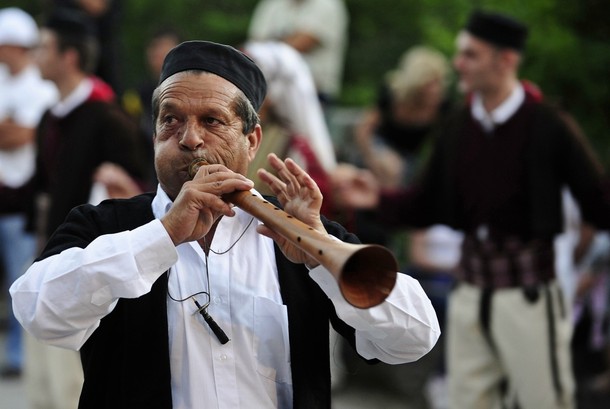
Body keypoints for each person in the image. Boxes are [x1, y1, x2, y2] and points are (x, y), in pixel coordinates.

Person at [10, 40, 440, 409]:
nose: (190, 139)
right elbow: (37, 311)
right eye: (171, 120)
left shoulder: (300, 233)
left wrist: (320, 257)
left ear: (251, 140)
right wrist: (163, 235)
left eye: (211, 121)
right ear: (155, 132)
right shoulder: (106, 225)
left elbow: (413, 340)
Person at [333, 9, 610, 409]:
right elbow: (427, 202)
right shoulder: (460, 126)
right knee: (467, 402)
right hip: (471, 291)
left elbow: (597, 201)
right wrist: (376, 197)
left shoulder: (548, 124)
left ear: (506, 60)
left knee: (542, 401)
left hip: (529, 294)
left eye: (470, 54)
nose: (457, 63)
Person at [18, 8, 148, 409]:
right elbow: (41, 188)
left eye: (44, 47)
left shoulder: (109, 117)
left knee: (73, 389)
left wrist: (127, 185)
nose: (36, 55)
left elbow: (143, 189)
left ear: (69, 57)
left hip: (86, 269)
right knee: (41, 388)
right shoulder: (48, 118)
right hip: (45, 260)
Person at [0, 7, 59, 380]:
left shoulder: (41, 87)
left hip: (21, 199)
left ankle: (20, 357)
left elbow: (24, 136)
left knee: (20, 281)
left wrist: (14, 129)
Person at [247, 0, 349, 109]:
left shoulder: (328, 4)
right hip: (267, 93)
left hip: (315, 95)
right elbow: (254, 46)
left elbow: (302, 43)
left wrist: (270, 43)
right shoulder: (271, 3)